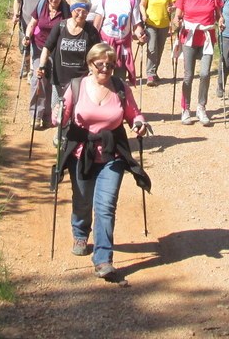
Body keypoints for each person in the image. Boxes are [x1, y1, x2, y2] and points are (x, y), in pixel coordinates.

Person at [53, 43, 151, 283]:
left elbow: (133, 114)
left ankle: (103, 259)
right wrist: (57, 115)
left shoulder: (120, 88)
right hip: (81, 153)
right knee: (82, 199)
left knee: (106, 205)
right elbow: (62, 117)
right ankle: (80, 232)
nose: (105, 69)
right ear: (90, 65)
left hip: (112, 154)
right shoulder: (76, 87)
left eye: (110, 65)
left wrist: (138, 123)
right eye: (100, 65)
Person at [174, 0, 223, 126]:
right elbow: (178, 16)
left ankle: (201, 107)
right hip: (189, 38)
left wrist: (221, 21)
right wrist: (176, 21)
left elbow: (219, 15)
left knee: (204, 74)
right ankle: (185, 108)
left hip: (207, 38)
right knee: (188, 76)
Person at [37, 0, 102, 111]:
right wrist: (41, 66)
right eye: (78, 11)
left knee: (77, 113)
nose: (81, 15)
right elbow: (47, 48)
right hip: (59, 79)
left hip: (81, 82)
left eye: (85, 12)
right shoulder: (60, 26)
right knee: (57, 113)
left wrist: (94, 72)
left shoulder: (91, 31)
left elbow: (98, 54)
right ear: (72, 10)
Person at [23, 0, 70, 128]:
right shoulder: (42, 5)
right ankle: (36, 114)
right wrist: (27, 36)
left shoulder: (66, 9)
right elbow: (32, 23)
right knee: (39, 80)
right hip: (39, 47)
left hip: (58, 51)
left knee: (53, 82)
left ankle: (50, 114)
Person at [93, 0, 147, 88]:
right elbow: (97, 24)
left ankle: (119, 105)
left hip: (122, 47)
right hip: (106, 44)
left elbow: (136, 25)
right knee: (103, 78)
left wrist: (140, 35)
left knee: (119, 81)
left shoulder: (131, 1)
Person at [140, 0, 176, 85]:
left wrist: (172, 8)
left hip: (164, 24)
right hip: (151, 23)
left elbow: (175, 4)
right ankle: (150, 75)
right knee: (152, 48)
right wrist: (144, 15)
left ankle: (154, 72)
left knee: (159, 50)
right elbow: (142, 5)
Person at [13, 0, 49, 73]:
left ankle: (32, 71)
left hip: (41, 25)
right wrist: (16, 13)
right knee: (24, 48)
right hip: (25, 22)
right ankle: (26, 64)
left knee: (38, 49)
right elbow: (17, 0)